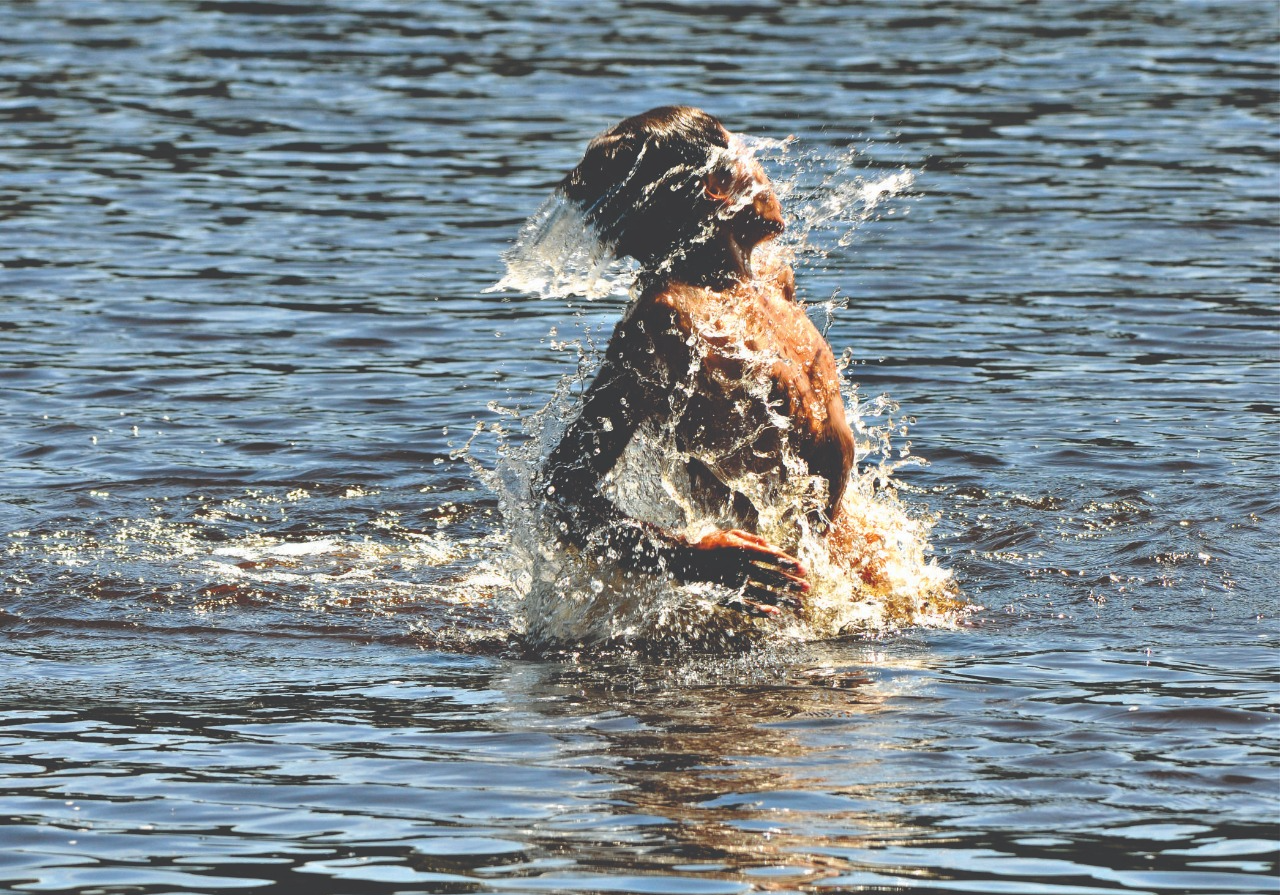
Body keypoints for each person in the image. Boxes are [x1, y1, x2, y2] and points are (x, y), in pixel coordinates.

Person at [540, 106, 856, 617]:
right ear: (717, 185)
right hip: (753, 606)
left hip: (830, 575)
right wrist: (690, 560)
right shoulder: (668, 322)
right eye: (747, 155)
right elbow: (560, 490)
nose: (764, 170)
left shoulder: (773, 281)